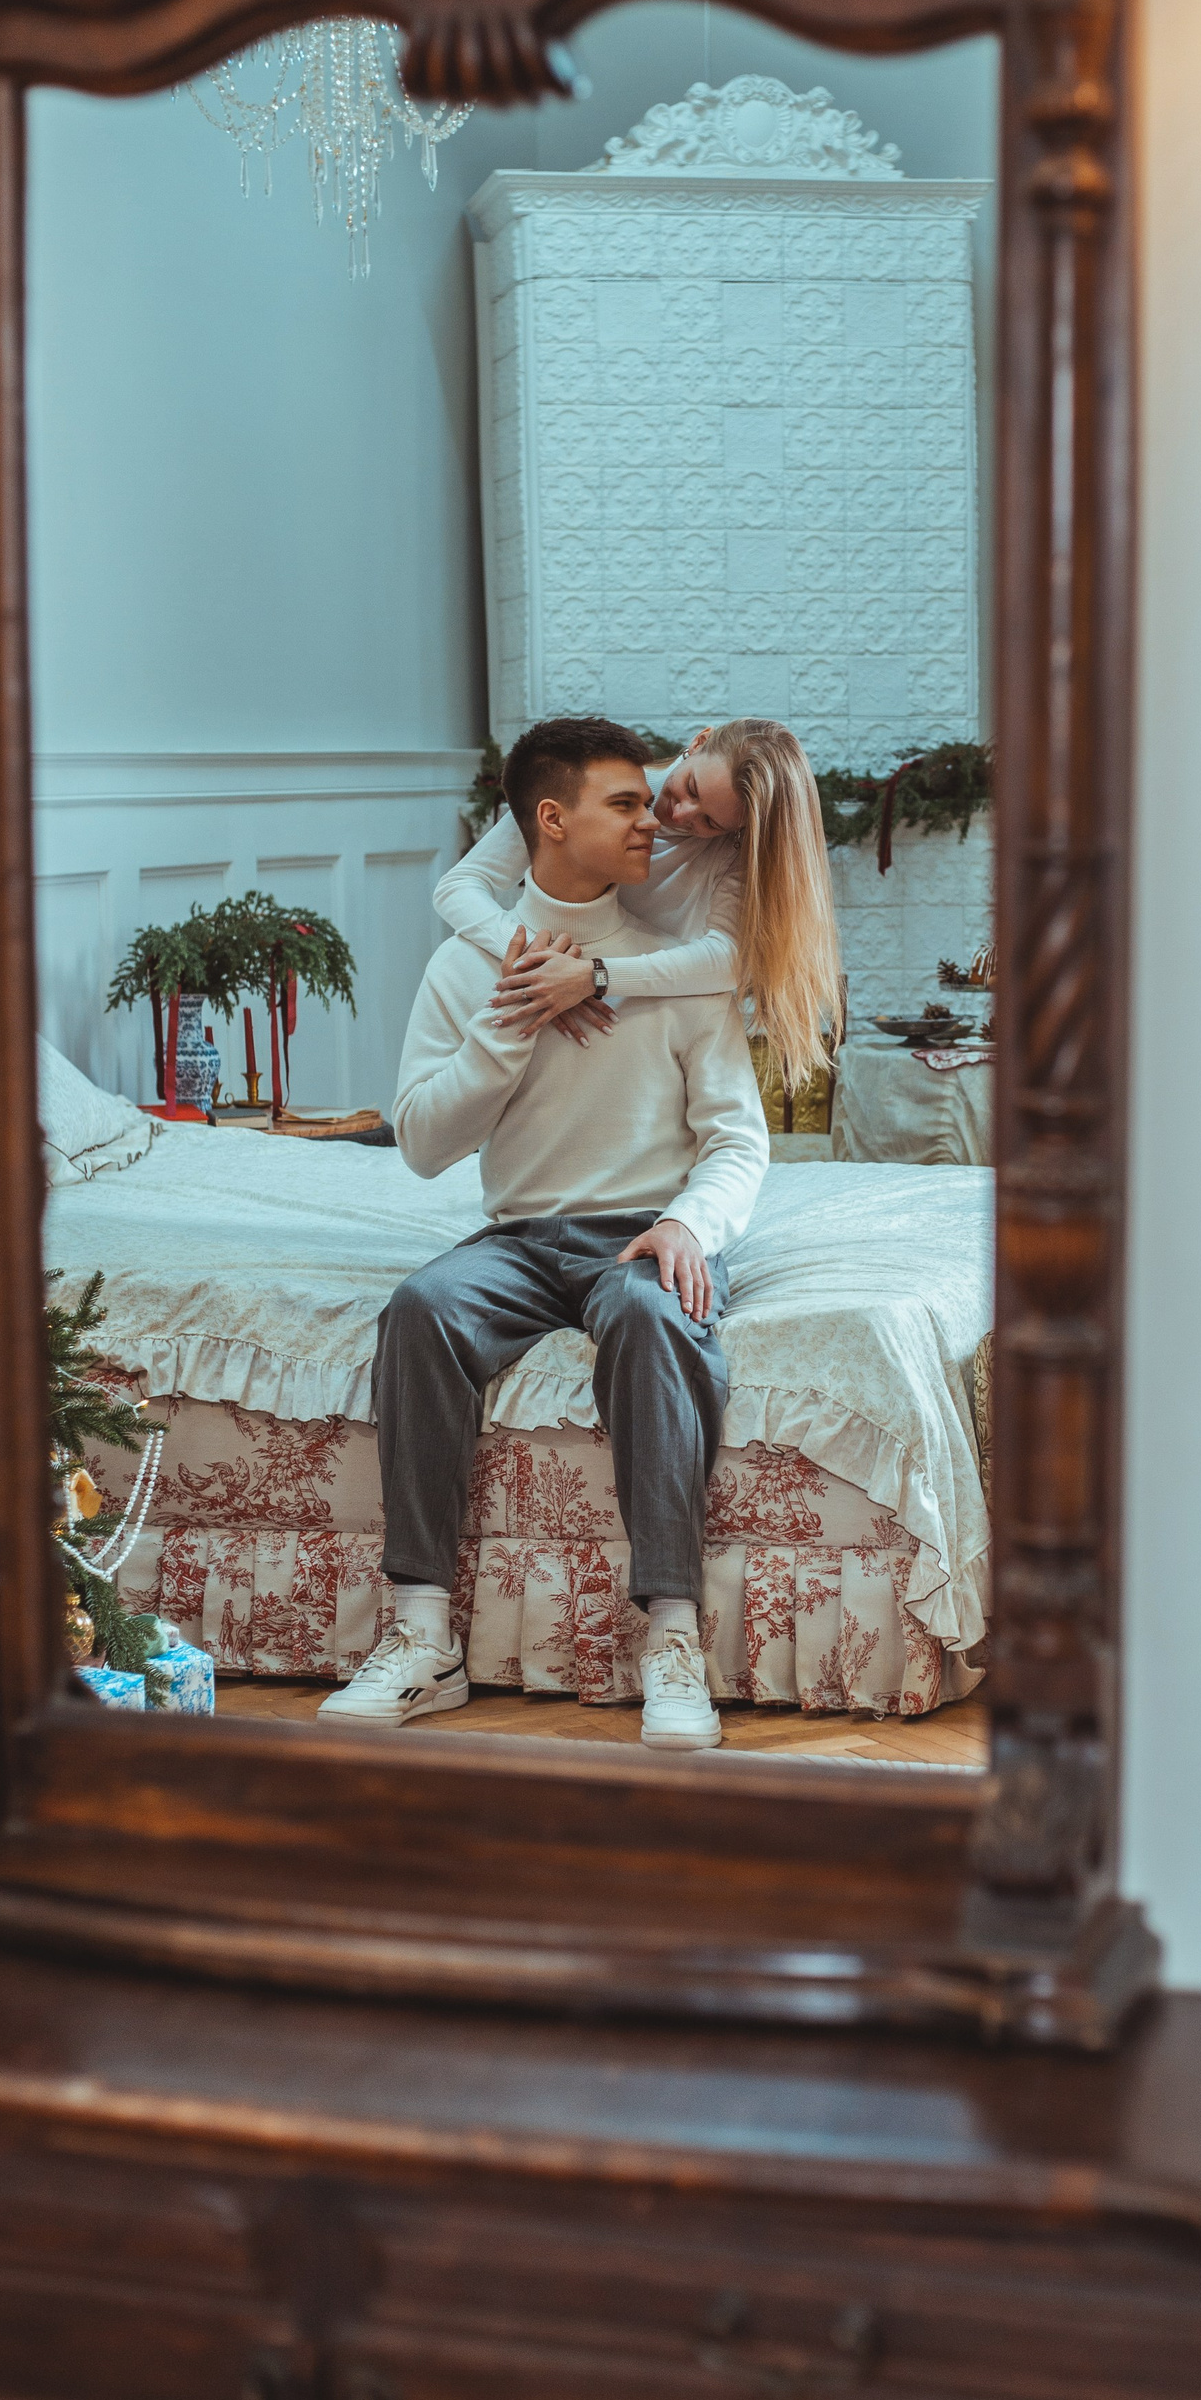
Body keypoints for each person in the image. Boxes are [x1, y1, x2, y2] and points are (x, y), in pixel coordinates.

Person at [320, 716, 769, 1751]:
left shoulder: (677, 972)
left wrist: (688, 1222)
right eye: (627, 803)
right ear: (553, 820)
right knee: (421, 1307)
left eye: (654, 800)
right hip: (519, 1238)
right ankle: (421, 1634)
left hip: (641, 1232)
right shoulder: (467, 968)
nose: (656, 820)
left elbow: (738, 1141)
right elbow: (422, 1146)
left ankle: (671, 1636)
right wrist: (507, 1024)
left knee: (657, 1318)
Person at [434, 718, 842, 1092]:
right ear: (699, 742)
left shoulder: (733, 852)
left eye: (710, 822)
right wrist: (538, 964)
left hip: (646, 1025)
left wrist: (592, 977)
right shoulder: (598, 784)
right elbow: (459, 886)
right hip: (546, 1003)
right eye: (692, 789)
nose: (680, 814)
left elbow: (727, 961)